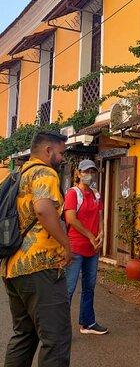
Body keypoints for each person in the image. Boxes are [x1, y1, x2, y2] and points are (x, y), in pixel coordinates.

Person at [2, 131, 72, 367]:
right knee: (56, 339)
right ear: (48, 151)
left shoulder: (18, 174)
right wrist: (66, 243)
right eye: (61, 153)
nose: (62, 159)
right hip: (40, 266)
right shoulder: (44, 172)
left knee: (24, 335)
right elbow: (43, 209)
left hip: (13, 267)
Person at [64, 159, 108, 335]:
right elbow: (71, 219)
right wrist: (90, 235)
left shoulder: (96, 194)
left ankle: (87, 323)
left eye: (92, 171)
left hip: (93, 249)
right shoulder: (73, 194)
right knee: (68, 289)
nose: (89, 175)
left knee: (89, 287)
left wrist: (101, 233)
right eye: (85, 171)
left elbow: (100, 215)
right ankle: (60, 329)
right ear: (78, 173)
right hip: (76, 247)